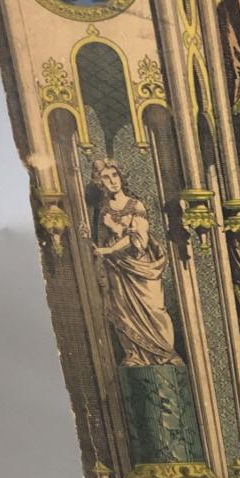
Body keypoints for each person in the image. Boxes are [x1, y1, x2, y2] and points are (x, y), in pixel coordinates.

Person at [85, 157, 181, 368]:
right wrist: (101, 255)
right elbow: (100, 243)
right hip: (118, 271)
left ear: (121, 176)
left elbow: (139, 240)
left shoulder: (135, 205)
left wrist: (114, 234)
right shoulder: (103, 211)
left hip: (141, 266)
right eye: (106, 177)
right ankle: (135, 354)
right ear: (100, 183)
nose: (113, 181)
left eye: (115, 175)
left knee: (155, 308)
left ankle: (165, 351)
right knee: (124, 311)